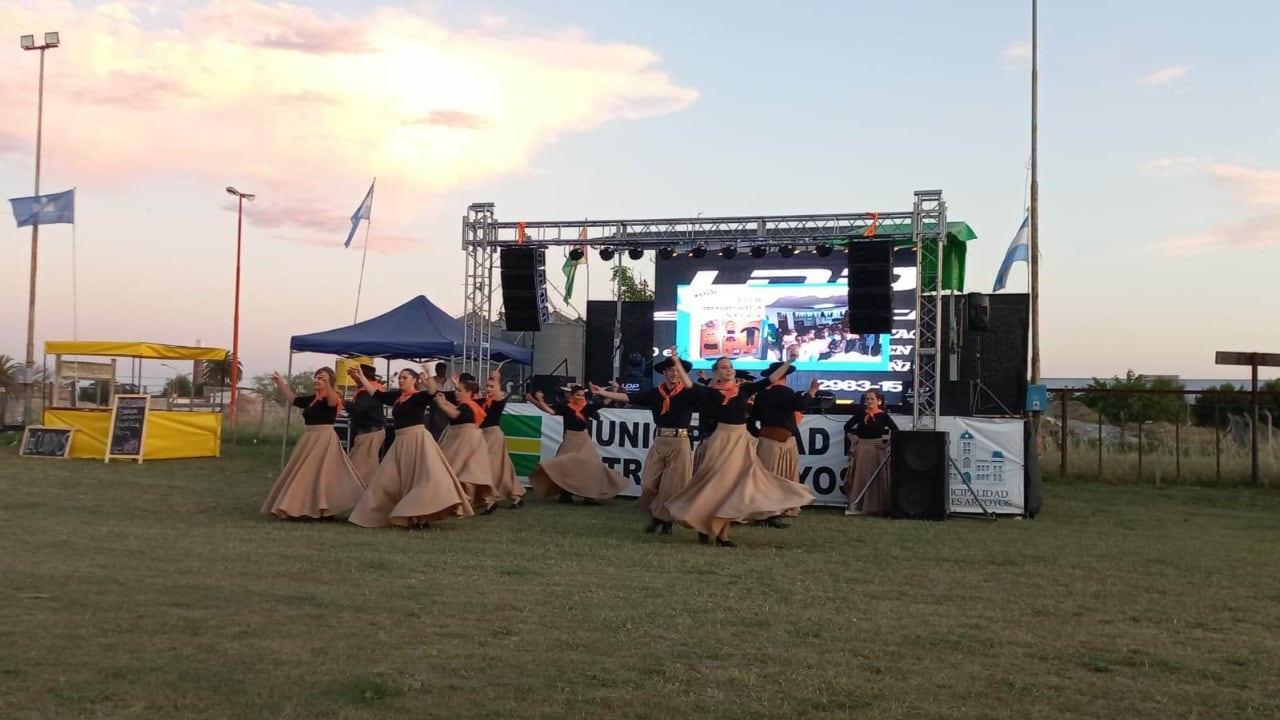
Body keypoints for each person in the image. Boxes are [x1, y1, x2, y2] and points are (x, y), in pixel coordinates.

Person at [665, 357, 815, 547]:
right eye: (724, 367)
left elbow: (770, 379)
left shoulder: (744, 389)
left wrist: (790, 361)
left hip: (741, 440)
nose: (729, 370)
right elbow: (689, 384)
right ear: (717, 372)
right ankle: (704, 525)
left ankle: (723, 536)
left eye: (731, 367)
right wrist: (677, 362)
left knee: (735, 487)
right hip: (723, 440)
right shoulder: (712, 393)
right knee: (715, 485)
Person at [347, 366, 474, 528]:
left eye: (404, 377)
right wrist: (362, 377)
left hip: (417, 440)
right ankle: (376, 514)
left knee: (422, 478)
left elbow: (433, 393)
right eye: (399, 377)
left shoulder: (419, 397)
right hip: (400, 442)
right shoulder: (398, 397)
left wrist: (427, 376)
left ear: (414, 380)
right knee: (386, 479)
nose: (400, 380)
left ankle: (421, 517)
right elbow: (377, 394)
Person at [591, 347, 696, 535]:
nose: (674, 373)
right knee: (649, 483)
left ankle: (664, 522)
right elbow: (628, 397)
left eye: (677, 370)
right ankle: (657, 516)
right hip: (660, 440)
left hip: (680, 441)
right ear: (664, 373)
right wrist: (605, 393)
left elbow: (700, 392)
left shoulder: (688, 393)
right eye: (670, 369)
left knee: (672, 486)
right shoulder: (656, 393)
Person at [261, 368, 365, 520]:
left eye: (321, 378)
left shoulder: (332, 398)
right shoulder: (312, 399)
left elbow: (332, 401)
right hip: (309, 438)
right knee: (306, 474)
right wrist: (280, 383)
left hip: (324, 439)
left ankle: (324, 509)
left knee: (321, 474)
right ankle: (302, 505)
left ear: (329, 382)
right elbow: (294, 400)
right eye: (316, 377)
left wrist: (327, 383)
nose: (317, 380)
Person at [525, 385, 628, 504]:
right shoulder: (566, 407)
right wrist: (538, 400)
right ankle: (565, 494)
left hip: (583, 439)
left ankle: (589, 497)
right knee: (565, 465)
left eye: (582, 395)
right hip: (570, 438)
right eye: (578, 395)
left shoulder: (587, 407)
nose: (580, 397)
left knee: (591, 466)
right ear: (572, 396)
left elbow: (605, 401)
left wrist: (614, 389)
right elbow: (550, 411)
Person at [751, 358, 819, 526]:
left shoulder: (762, 395)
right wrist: (811, 392)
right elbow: (800, 404)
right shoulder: (783, 392)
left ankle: (764, 512)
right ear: (785, 376)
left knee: (767, 477)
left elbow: (755, 416)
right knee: (780, 476)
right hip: (782, 439)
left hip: (766, 437)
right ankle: (773, 513)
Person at [430, 375, 498, 515]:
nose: (456, 392)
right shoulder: (466, 405)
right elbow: (456, 410)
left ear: (467, 393)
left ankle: (464, 503)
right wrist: (443, 401)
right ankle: (476, 502)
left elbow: (454, 414)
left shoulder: (468, 406)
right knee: (469, 474)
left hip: (465, 442)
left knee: (456, 471)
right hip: (464, 440)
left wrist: (442, 404)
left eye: (459, 390)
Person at [842, 389, 899, 515]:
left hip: (876, 451)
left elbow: (895, 430)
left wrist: (886, 444)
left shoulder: (883, 416)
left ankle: (878, 506)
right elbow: (847, 427)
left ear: (878, 401)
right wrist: (852, 438)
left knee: (877, 478)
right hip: (862, 449)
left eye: (872, 399)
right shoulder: (860, 414)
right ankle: (859, 505)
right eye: (867, 399)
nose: (869, 401)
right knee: (860, 477)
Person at [476, 368, 525, 509]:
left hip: (493, 435)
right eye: (487, 386)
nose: (489, 389)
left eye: (491, 387)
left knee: (489, 465)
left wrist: (496, 379)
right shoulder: (482, 401)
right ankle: (516, 496)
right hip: (484, 435)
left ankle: (490, 499)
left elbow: (498, 396)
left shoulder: (498, 402)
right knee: (503, 467)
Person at [344, 363, 387, 485]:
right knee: (361, 466)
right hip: (366, 433)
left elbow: (359, 408)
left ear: (364, 377)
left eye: (355, 377)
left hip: (371, 433)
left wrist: (343, 402)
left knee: (363, 469)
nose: (353, 379)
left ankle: (367, 495)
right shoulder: (365, 391)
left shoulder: (372, 391)